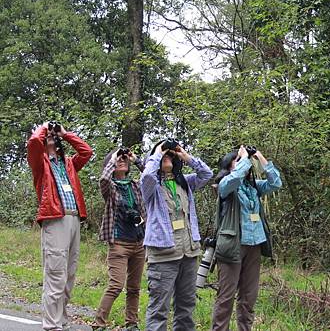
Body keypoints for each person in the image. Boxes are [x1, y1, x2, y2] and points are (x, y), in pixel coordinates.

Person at [140, 140, 213, 331]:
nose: (167, 158)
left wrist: (185, 155)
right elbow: (147, 174)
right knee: (159, 309)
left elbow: (207, 174)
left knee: (186, 306)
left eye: (169, 156)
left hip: (189, 252)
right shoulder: (152, 187)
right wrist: (158, 151)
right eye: (164, 156)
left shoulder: (184, 182)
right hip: (164, 253)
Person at [27, 121, 93, 331]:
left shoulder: (69, 163)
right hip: (55, 218)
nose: (50, 136)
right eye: (48, 134)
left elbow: (86, 151)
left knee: (69, 273)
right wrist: (45, 126)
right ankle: (52, 324)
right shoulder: (39, 162)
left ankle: (61, 317)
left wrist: (65, 133)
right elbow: (34, 141)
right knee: (55, 272)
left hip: (74, 218)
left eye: (52, 134)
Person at [211, 146, 282, 331]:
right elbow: (234, 178)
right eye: (238, 160)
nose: (245, 163)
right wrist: (242, 157)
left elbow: (276, 183)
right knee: (226, 296)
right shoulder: (225, 185)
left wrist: (260, 157)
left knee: (249, 296)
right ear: (229, 166)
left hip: (254, 245)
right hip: (232, 246)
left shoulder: (254, 187)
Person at [93, 148, 147, 331]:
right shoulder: (109, 188)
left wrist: (136, 159)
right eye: (118, 159)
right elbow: (104, 179)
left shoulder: (136, 185)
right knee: (116, 285)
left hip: (138, 242)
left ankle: (131, 323)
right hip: (119, 243)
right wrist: (113, 158)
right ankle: (98, 323)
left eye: (125, 159)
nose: (122, 161)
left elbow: (152, 177)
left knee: (134, 288)